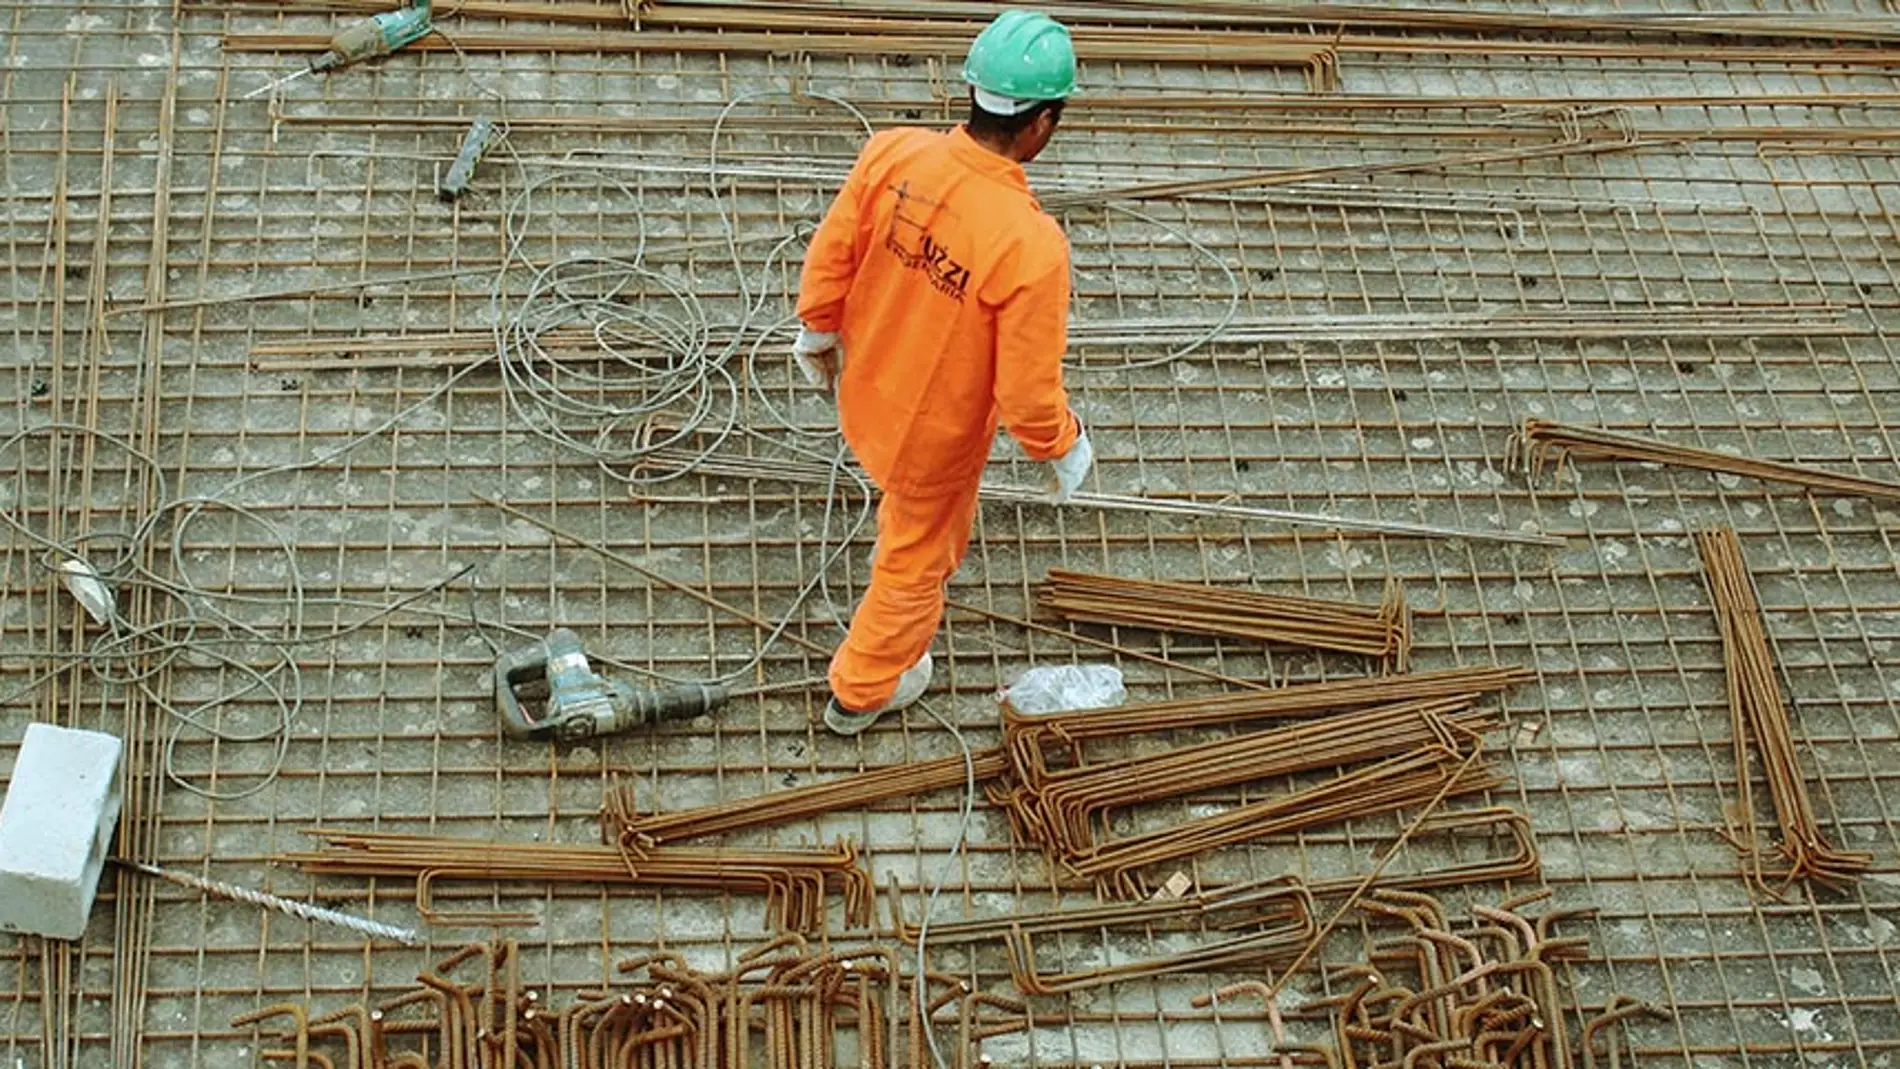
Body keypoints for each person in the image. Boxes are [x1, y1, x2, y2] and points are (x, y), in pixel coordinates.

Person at [791, 9, 1093, 735]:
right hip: (930, 439)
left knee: (902, 523)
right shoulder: (1030, 245)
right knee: (915, 560)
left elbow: (833, 251)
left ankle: (871, 671)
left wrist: (817, 327)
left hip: (865, 388)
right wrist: (1062, 444)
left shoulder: (893, 153)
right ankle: (862, 690)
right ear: (1042, 123)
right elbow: (1026, 392)